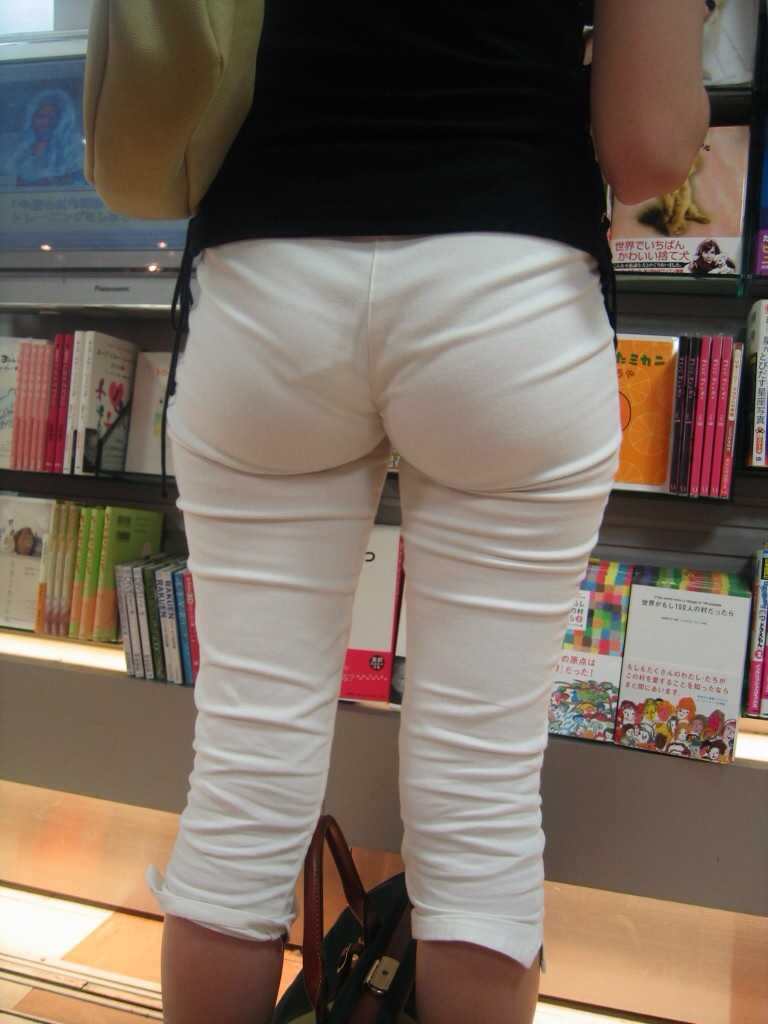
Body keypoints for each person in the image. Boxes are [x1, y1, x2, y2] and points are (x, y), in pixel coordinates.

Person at [145, 3, 710, 1022]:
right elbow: (649, 145)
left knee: (243, 786)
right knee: (481, 806)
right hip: (507, 276)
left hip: (266, 271)